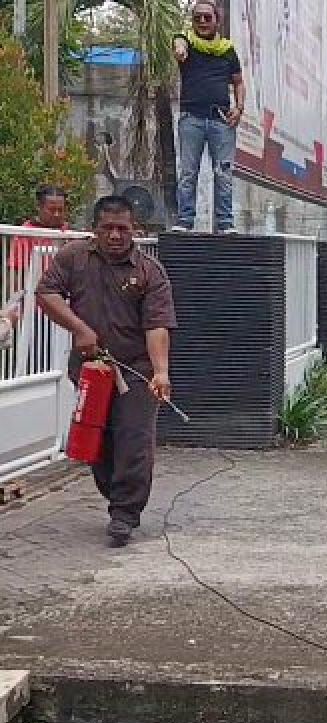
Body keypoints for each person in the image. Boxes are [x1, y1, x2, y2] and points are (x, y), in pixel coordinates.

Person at [36, 196, 177, 548]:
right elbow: (46, 292)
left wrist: (161, 372)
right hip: (90, 369)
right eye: (107, 228)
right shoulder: (74, 257)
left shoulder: (149, 271)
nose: (115, 236)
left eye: (122, 229)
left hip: (136, 371)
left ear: (135, 231)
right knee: (98, 441)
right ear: (94, 230)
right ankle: (115, 497)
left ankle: (124, 514)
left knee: (134, 440)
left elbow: (157, 325)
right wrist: (79, 328)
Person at [172, 1, 245, 233]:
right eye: (198, 18)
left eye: (207, 18)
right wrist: (180, 47)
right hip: (191, 118)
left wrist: (239, 107)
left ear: (217, 20)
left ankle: (225, 223)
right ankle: (185, 221)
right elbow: (179, 44)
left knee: (223, 173)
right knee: (188, 173)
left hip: (221, 119)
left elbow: (238, 82)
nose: (202, 22)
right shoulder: (187, 43)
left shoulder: (227, 50)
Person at [8, 185, 71, 291]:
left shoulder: (70, 233)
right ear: (39, 207)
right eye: (51, 210)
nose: (56, 214)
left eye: (60, 210)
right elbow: (16, 273)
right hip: (33, 296)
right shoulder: (25, 233)